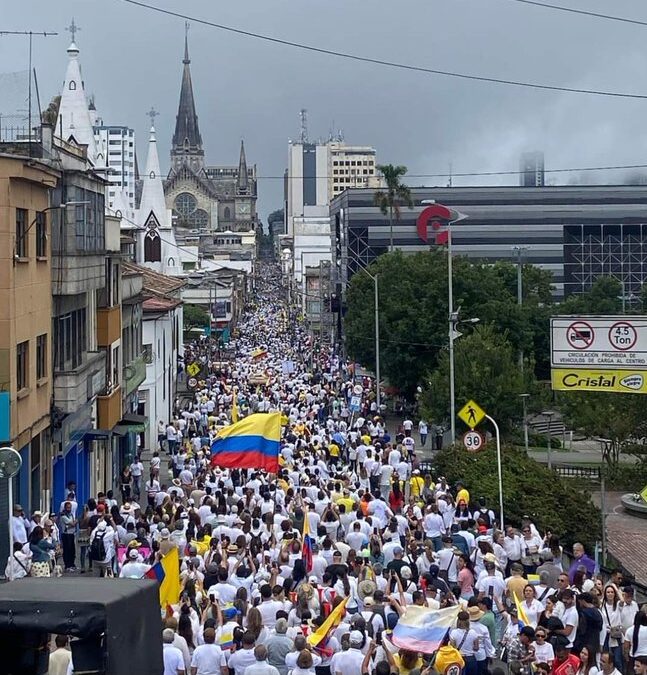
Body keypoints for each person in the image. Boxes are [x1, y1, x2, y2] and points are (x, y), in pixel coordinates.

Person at [59, 501, 77, 572]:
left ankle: (72, 564)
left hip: (71, 534)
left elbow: (72, 524)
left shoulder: (71, 515)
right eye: (68, 507)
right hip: (66, 535)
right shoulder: (63, 516)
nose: (69, 509)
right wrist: (75, 522)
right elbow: (72, 523)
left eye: (70, 507)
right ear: (65, 508)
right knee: (67, 551)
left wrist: (72, 524)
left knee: (72, 550)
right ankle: (67, 565)